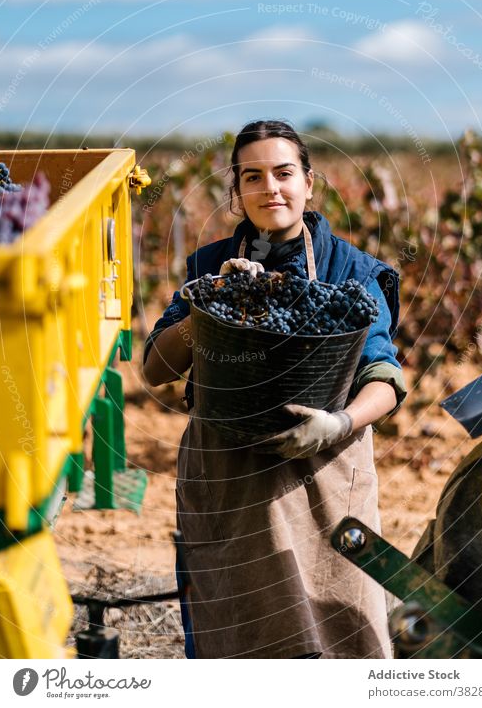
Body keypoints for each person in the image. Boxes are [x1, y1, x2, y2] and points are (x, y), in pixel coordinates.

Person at [142, 119, 407, 659]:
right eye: (253, 177)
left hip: (323, 472)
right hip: (230, 478)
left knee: (340, 634)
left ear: (309, 182)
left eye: (284, 173)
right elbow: (155, 369)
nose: (271, 188)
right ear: (236, 192)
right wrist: (208, 308)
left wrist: (338, 424)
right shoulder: (209, 266)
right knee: (237, 634)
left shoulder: (353, 271)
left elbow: (385, 377)